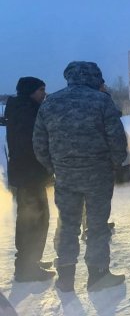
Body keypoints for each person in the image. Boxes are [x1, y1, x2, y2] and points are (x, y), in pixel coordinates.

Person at [33, 61, 128, 292]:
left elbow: (39, 143)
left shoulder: (50, 102)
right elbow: (117, 139)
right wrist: (115, 164)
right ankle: (97, 276)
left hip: (65, 176)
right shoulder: (102, 101)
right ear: (95, 77)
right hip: (98, 176)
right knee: (97, 226)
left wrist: (54, 167)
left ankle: (65, 277)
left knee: (67, 224)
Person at [5, 77, 54, 282]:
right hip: (29, 175)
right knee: (33, 220)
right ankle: (26, 268)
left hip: (28, 174)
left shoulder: (23, 108)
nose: (44, 93)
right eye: (41, 89)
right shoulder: (27, 112)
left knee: (35, 218)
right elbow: (33, 146)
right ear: (30, 91)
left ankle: (30, 261)